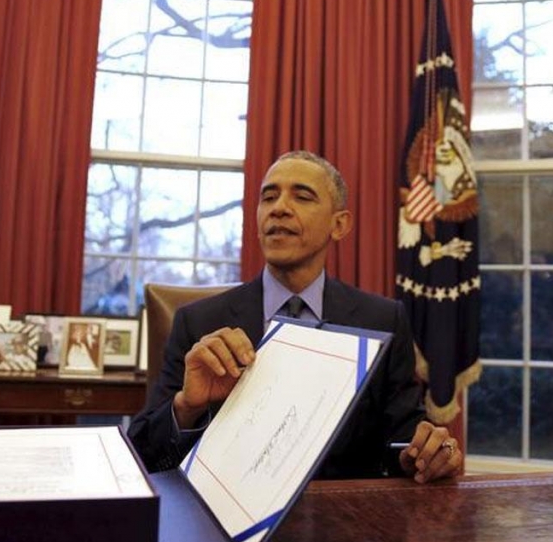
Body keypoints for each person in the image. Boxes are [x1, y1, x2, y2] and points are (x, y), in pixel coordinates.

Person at [127, 151, 462, 482]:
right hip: (221, 523)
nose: (279, 208)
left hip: (345, 520)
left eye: (302, 197)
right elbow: (146, 456)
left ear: (339, 224)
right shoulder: (197, 323)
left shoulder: (384, 320)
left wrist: (427, 453)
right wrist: (187, 409)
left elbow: (402, 441)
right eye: (268, 197)